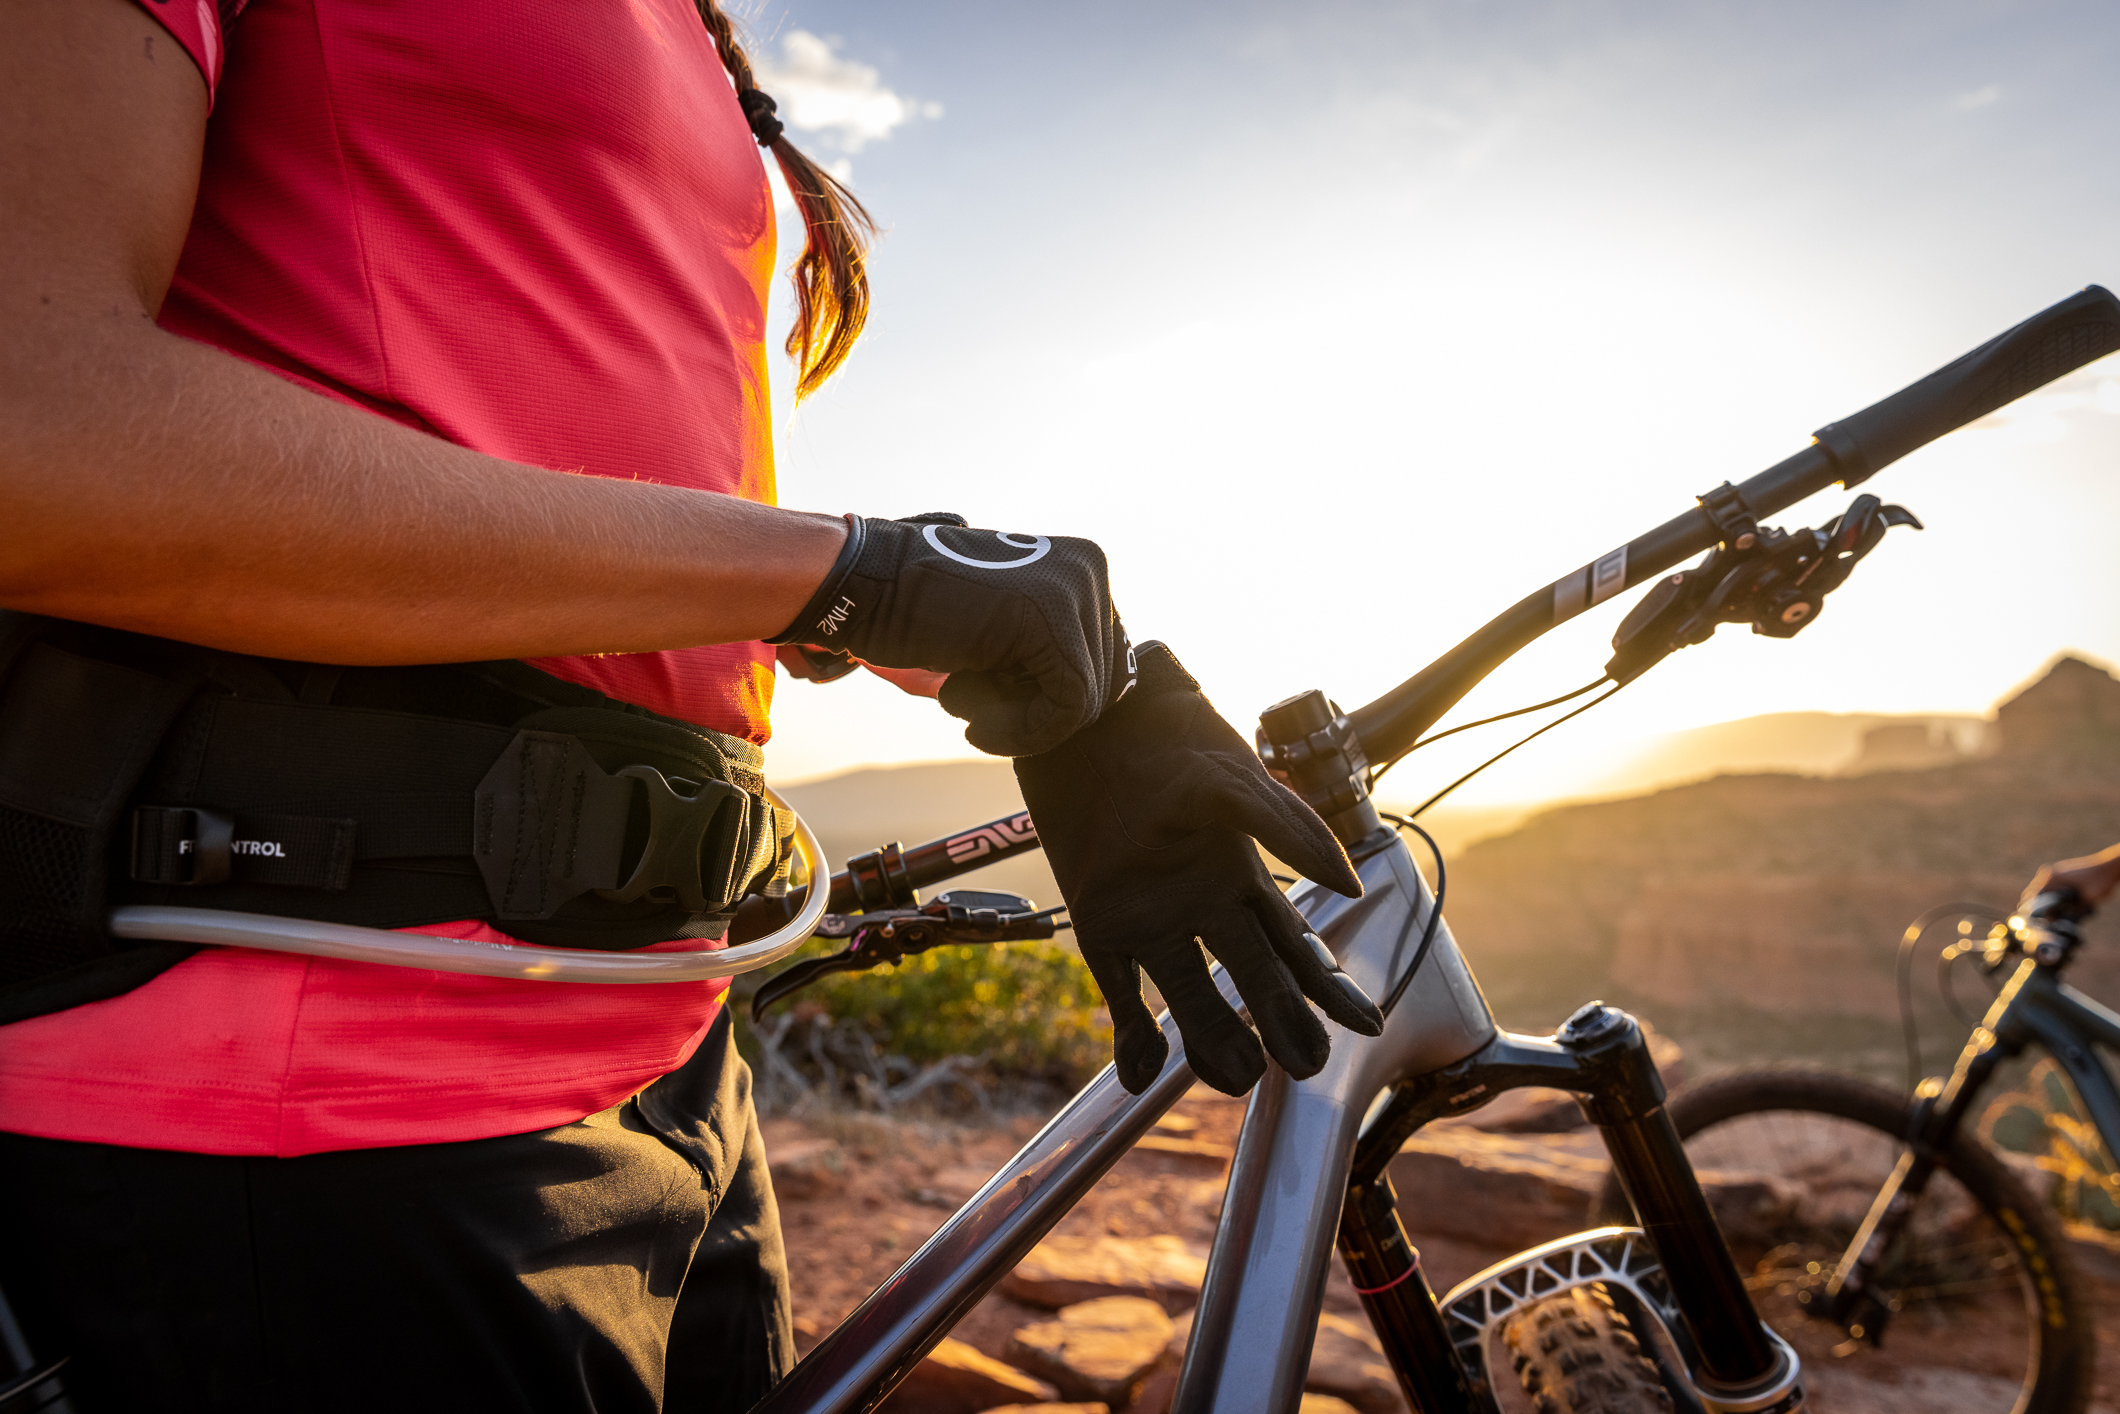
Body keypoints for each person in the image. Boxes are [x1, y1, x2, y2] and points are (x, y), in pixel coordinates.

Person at [0, 1, 1380, 1408]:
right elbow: (36, 429)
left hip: (668, 1053)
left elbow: (555, 437)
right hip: (308, 1108)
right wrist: (849, 575)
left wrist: (1041, 675)